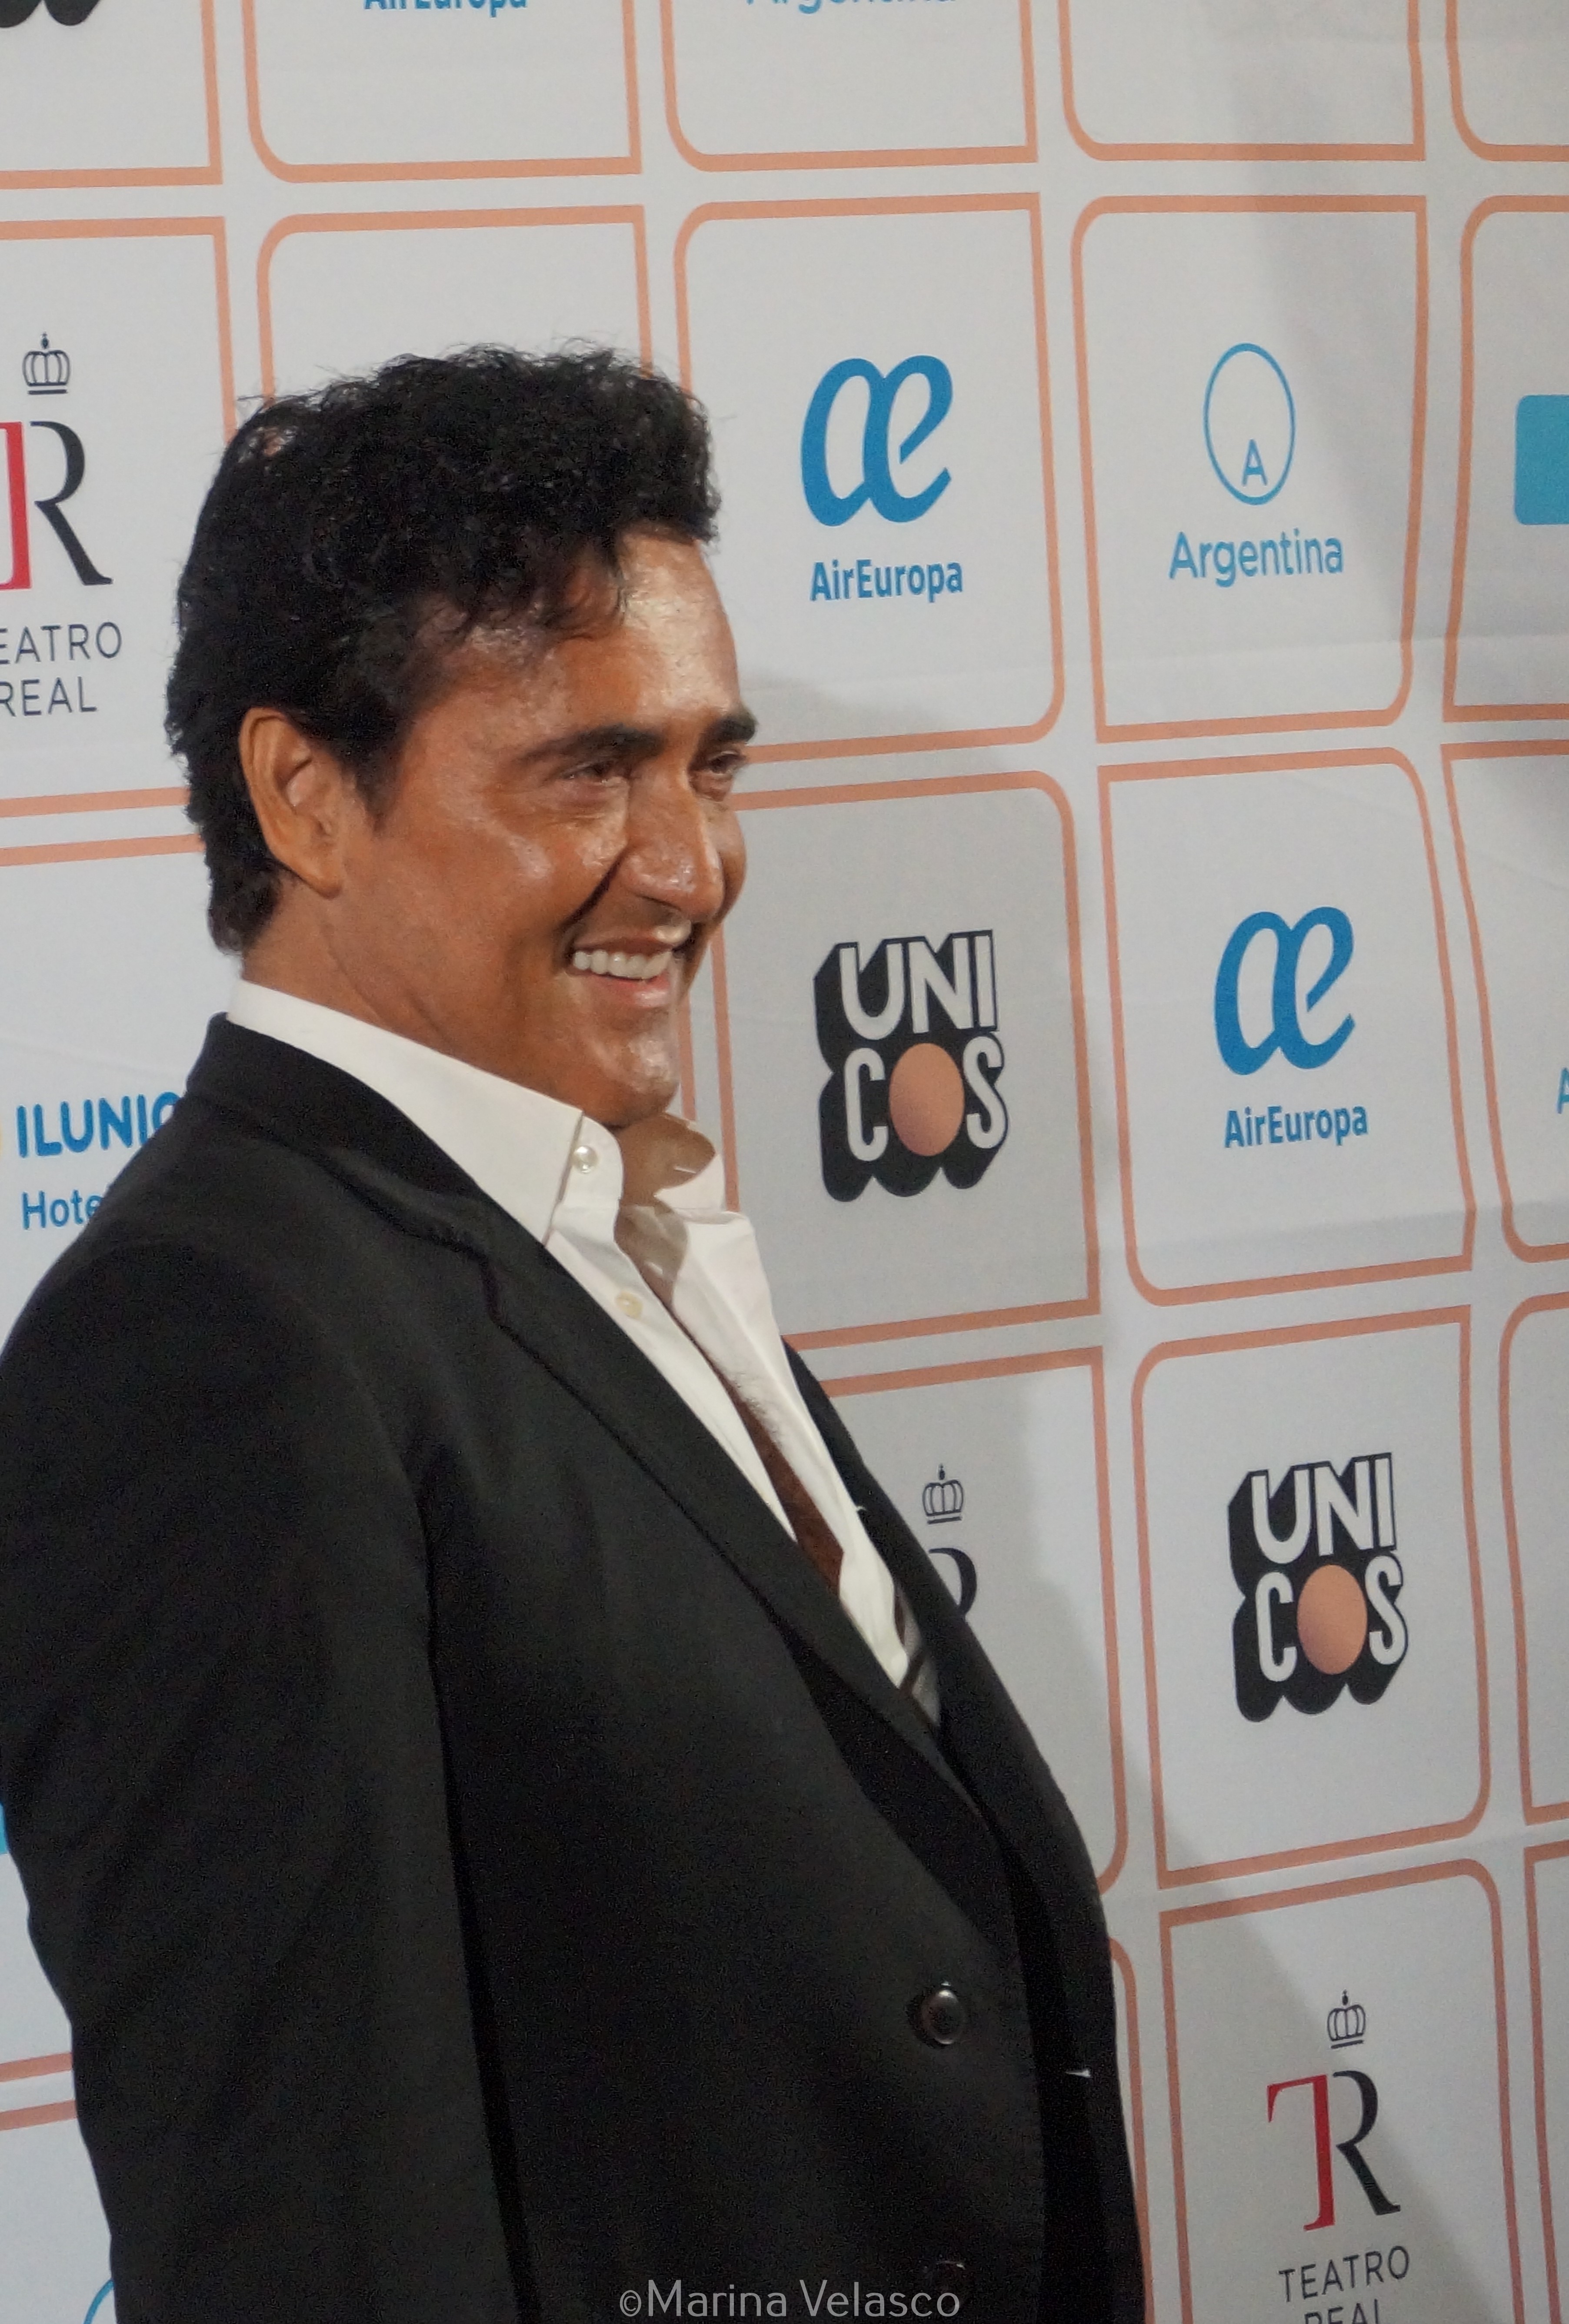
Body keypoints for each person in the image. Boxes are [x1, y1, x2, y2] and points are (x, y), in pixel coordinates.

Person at [0, 349, 1141, 2324]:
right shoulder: (205, 1342)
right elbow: (311, 2237)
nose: (691, 866)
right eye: (590, 771)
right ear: (305, 794)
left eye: (713, 766)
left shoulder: (598, 1215)